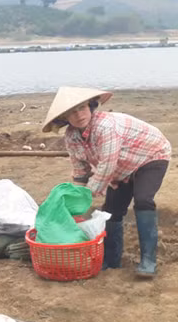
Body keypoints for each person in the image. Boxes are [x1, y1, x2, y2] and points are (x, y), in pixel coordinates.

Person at [41, 86, 171, 277]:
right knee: (111, 210)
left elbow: (107, 167)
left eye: (82, 108)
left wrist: (88, 195)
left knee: (143, 199)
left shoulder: (105, 126)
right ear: (65, 118)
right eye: (72, 112)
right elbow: (80, 172)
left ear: (91, 106)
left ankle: (148, 261)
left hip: (151, 155)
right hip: (122, 166)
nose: (79, 115)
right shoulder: (71, 137)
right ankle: (111, 259)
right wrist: (74, 204)